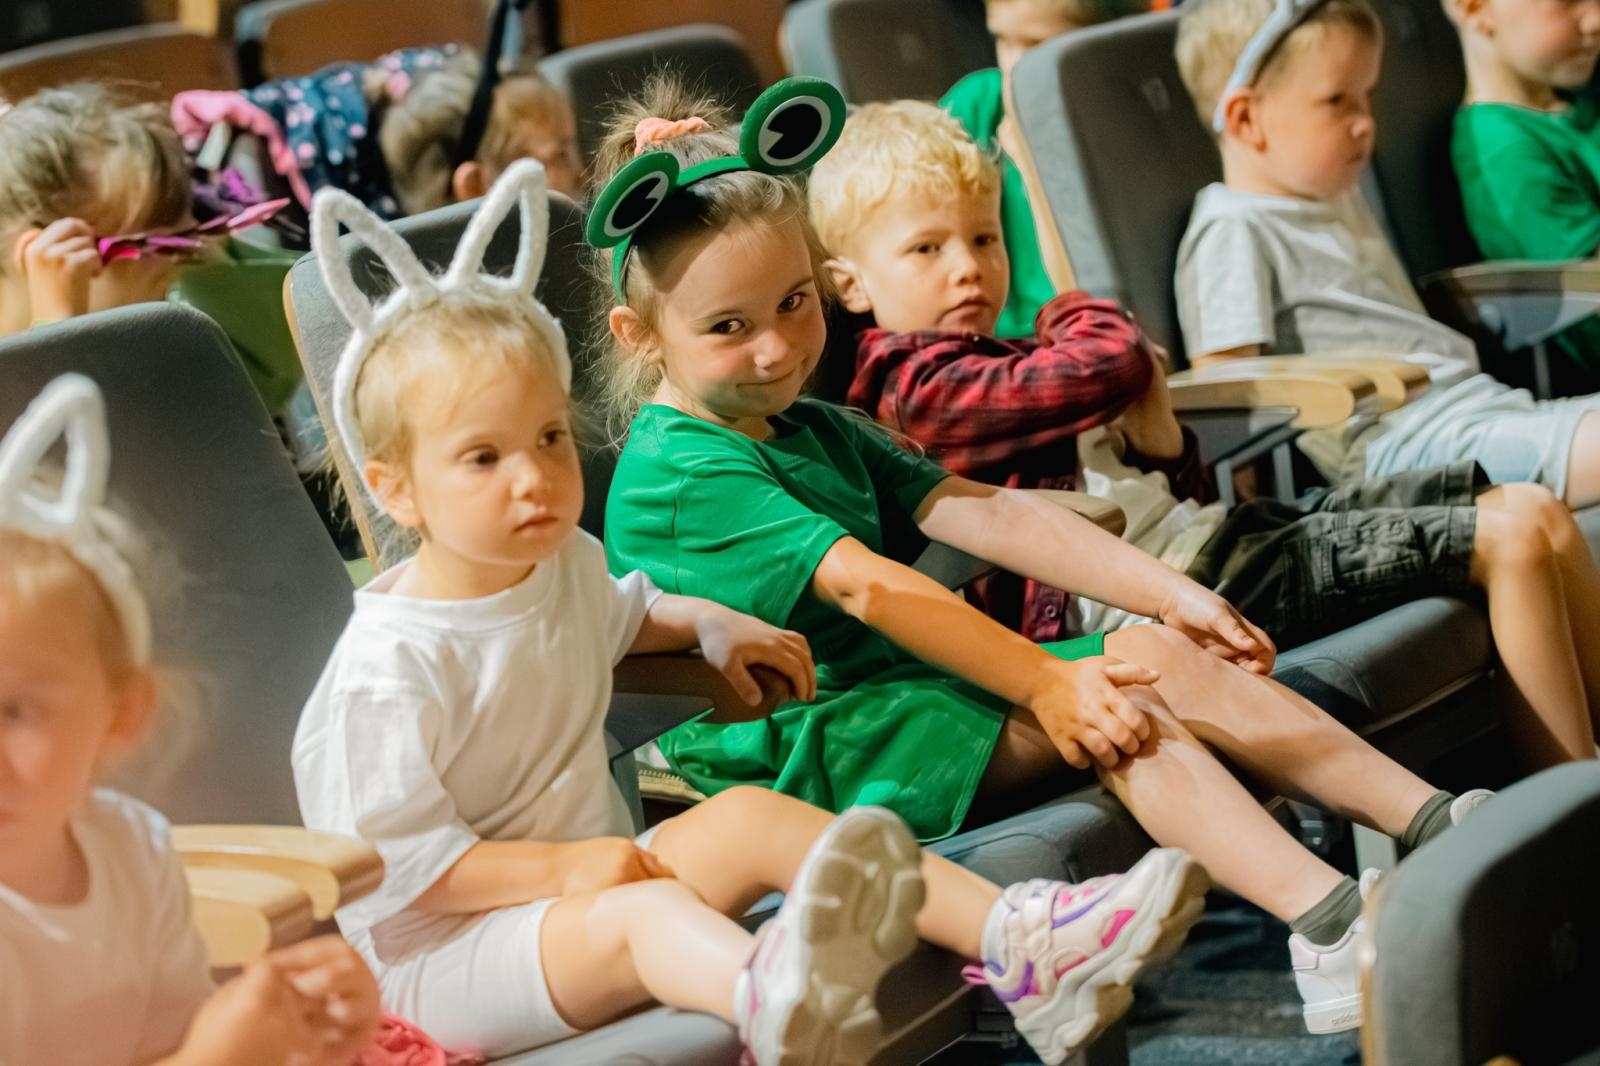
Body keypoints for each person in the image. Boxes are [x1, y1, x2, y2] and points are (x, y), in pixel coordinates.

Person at [593, 74, 1494, 1035]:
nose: (777, 349)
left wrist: (1170, 593)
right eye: (729, 327)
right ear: (640, 337)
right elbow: (871, 591)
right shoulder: (677, 467)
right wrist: (1045, 683)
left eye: (795, 303)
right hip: (794, 752)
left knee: (1153, 653)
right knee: (1118, 699)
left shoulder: (807, 423)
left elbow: (997, 516)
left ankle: (1438, 827)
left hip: (894, 702)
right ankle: (1330, 923)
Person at [292, 158, 1208, 1065]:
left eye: (549, 439)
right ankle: (774, 1001)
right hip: (448, 956)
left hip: (584, 892)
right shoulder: (383, 668)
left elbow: (626, 614)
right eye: (483, 459)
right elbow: (395, 874)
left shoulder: (561, 564)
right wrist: (563, 870)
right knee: (648, 912)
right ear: (395, 490)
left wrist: (705, 623)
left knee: (752, 820)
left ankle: (1025, 946)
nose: (533, 477)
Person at [809, 97, 1600, 770]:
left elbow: (1167, 475)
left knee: (1533, 509)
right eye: (926, 248)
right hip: (1145, 605)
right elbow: (1116, 360)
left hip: (1209, 549)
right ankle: (1563, 820)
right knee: (1512, 540)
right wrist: (1079, 314)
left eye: (984, 239)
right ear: (849, 284)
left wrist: (1157, 436)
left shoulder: (1002, 358)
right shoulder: (914, 389)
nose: (968, 268)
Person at [0, 374, 381, 1066]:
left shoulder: (134, 851)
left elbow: (169, 1040)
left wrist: (298, 1030)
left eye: (16, 710)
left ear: (121, 714)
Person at [1173, 0, 1600, 509]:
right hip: (1392, 449)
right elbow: (1225, 399)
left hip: (1472, 410)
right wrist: (1251, 522)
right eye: (1337, 101)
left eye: (1366, 97)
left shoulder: (1334, 196)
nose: (1365, 123)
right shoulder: (1231, 227)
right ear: (1246, 119)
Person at [941, 0, 1147, 337]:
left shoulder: (1122, 125)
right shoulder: (976, 107)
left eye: (1037, 45)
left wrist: (1034, 164)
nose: (1014, 65)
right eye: (1003, 40)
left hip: (1085, 332)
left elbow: (1089, 307)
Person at [1449, 0, 1600, 396]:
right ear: (1475, 8)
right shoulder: (1503, 152)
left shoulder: (1579, 102)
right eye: (1568, 2)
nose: (1596, 18)